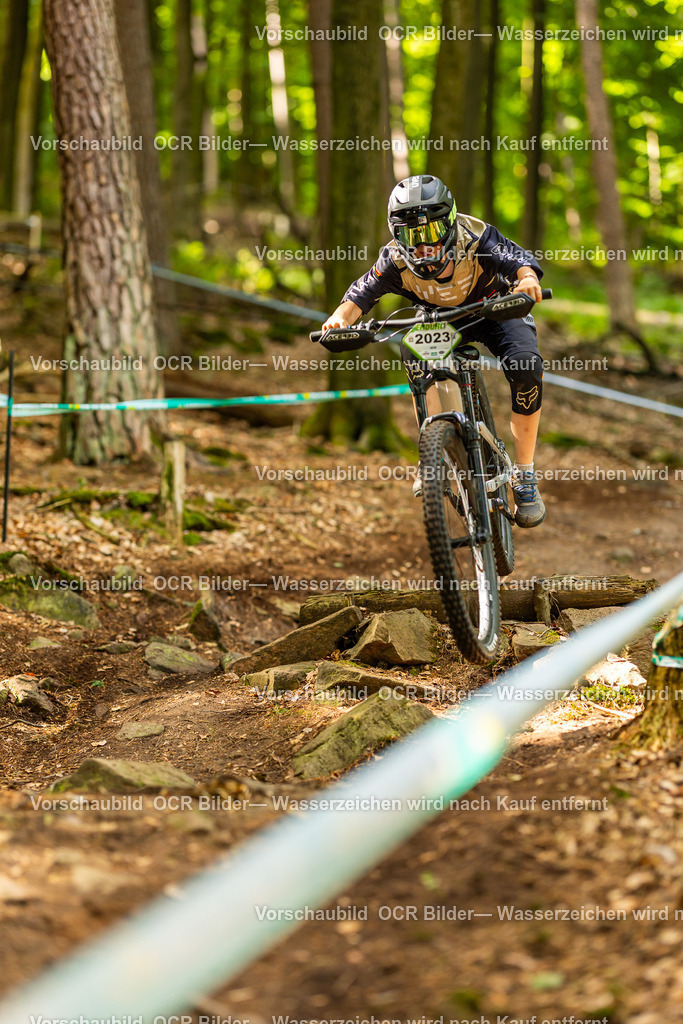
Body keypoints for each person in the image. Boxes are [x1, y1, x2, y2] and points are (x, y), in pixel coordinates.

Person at [321, 174, 546, 528]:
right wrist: (338, 320)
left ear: (449, 223)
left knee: (525, 366)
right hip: (438, 320)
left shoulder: (474, 235)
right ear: (398, 235)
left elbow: (514, 257)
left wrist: (527, 278)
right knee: (415, 355)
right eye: (412, 236)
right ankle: (434, 454)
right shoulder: (394, 259)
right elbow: (360, 294)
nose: (422, 246)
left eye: (428, 234)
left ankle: (525, 475)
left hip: (494, 308)